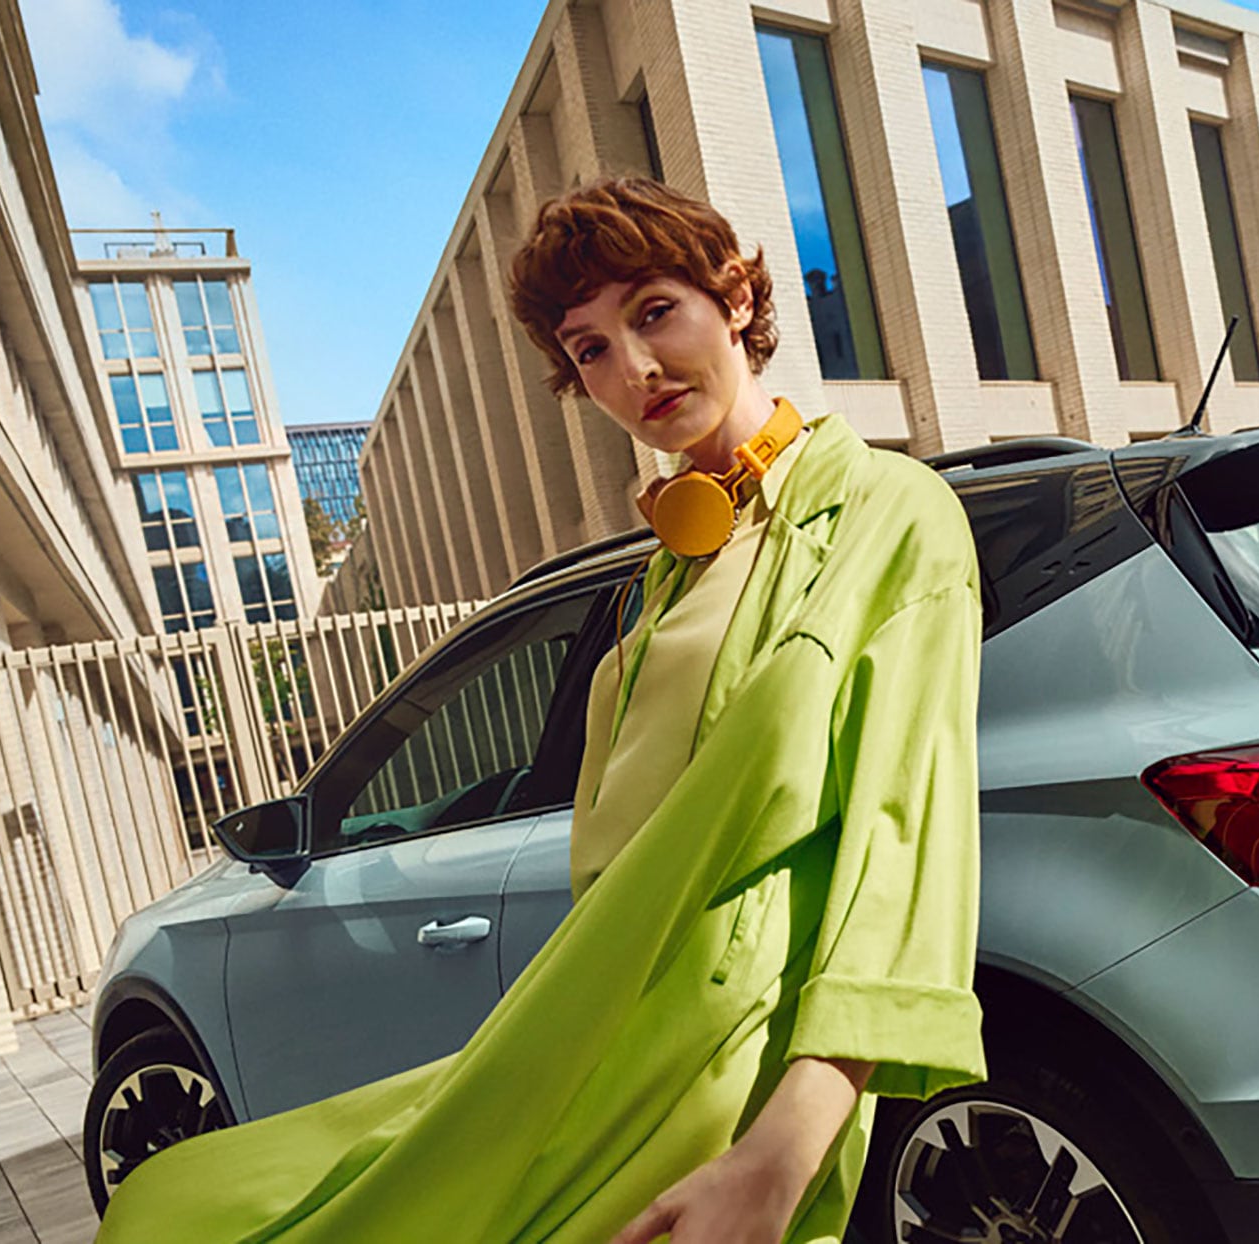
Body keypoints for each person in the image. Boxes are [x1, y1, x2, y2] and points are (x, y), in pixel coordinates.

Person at [93, 177, 987, 1242]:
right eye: (591, 347)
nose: (635, 367)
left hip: (719, 1068)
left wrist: (785, 1147)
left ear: (738, 297)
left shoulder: (891, 517)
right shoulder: (666, 574)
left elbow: (902, 848)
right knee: (183, 1209)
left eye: (654, 310)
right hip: (588, 1034)